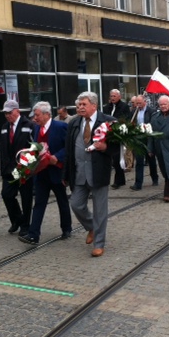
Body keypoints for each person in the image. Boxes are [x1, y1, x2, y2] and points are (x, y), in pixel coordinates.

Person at [63, 91, 116, 257]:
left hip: (98, 173)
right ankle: (91, 226)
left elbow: (117, 147)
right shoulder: (74, 123)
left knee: (100, 210)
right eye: (79, 105)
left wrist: (105, 147)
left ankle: (99, 244)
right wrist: (66, 174)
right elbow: (68, 150)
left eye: (84, 104)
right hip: (78, 172)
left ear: (94, 105)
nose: (80, 107)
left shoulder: (108, 121)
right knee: (76, 204)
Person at [18, 102, 72, 245]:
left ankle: (66, 228)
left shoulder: (60, 127)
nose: (35, 118)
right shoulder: (36, 128)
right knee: (39, 203)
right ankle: (33, 235)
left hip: (56, 171)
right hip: (41, 173)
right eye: (34, 115)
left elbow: (68, 147)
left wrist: (57, 157)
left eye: (37, 115)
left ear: (47, 114)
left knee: (62, 201)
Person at [0, 99, 34, 237]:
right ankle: (17, 220)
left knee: (26, 198)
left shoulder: (29, 125)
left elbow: (34, 148)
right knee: (6, 195)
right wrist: (3, 169)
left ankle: (25, 225)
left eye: (10, 112)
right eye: (5, 113)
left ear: (17, 111)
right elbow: (3, 150)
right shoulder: (4, 127)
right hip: (9, 170)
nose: (7, 115)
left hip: (24, 169)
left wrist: (28, 165)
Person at [102, 89, 131, 189]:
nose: (112, 98)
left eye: (114, 96)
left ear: (119, 97)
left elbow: (126, 119)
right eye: (111, 96)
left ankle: (118, 181)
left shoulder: (124, 106)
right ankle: (120, 180)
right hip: (108, 134)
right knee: (113, 159)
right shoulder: (106, 107)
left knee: (117, 158)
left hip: (119, 134)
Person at [129, 95, 159, 190]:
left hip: (148, 138)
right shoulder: (134, 111)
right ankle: (138, 183)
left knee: (151, 160)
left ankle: (154, 177)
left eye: (140, 103)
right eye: (137, 103)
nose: (138, 105)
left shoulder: (151, 111)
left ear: (144, 102)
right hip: (138, 139)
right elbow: (132, 122)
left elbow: (153, 124)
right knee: (139, 161)